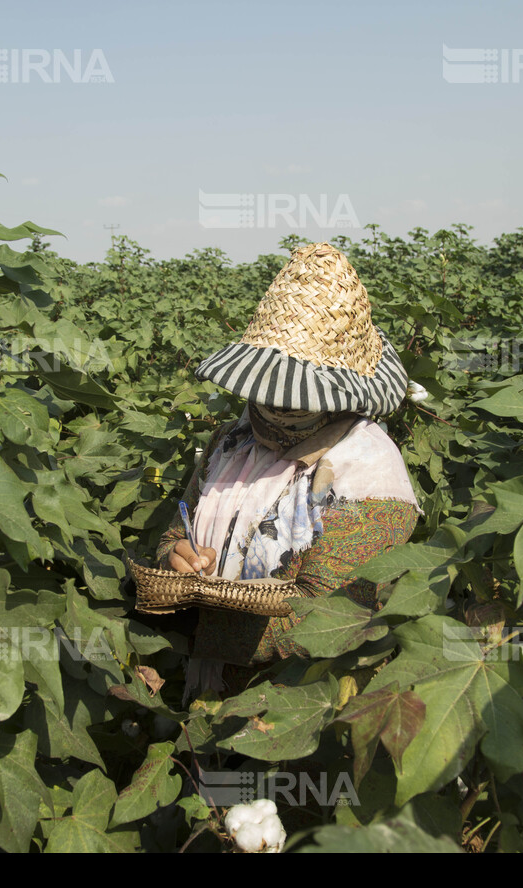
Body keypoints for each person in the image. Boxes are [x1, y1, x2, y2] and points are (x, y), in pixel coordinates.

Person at [150, 242, 422, 695]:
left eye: (294, 399)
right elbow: (177, 528)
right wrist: (174, 559)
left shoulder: (370, 476)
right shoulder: (232, 440)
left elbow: (332, 621)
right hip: (199, 688)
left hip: (291, 708)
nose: (275, 409)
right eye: (267, 392)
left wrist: (190, 623)